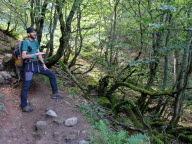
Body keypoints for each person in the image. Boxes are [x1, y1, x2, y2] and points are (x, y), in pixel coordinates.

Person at [20, 27, 63, 112]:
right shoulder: (26, 42)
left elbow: (39, 54)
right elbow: (24, 56)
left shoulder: (36, 41)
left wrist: (43, 64)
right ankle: (24, 106)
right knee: (26, 86)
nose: (34, 33)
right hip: (29, 67)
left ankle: (55, 93)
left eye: (35, 32)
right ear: (28, 34)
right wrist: (35, 53)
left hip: (36, 65)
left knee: (51, 75)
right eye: (32, 32)